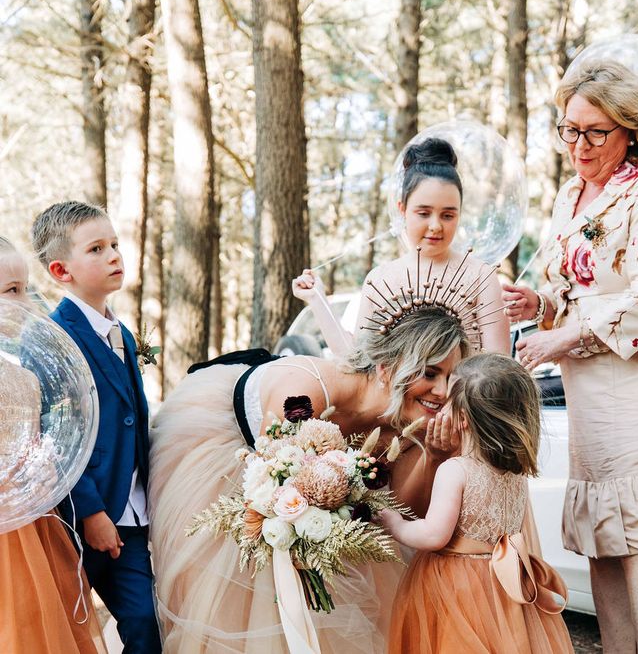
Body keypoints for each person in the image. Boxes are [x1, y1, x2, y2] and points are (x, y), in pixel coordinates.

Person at [503, 60, 638, 654]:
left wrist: (562, 337)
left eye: (596, 132)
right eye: (570, 129)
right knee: (602, 530)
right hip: (590, 378)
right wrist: (537, 302)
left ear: (631, 130)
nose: (579, 145)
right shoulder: (571, 194)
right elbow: (569, 287)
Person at [149, 304, 470, 653]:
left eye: (450, 378)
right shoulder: (306, 390)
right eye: (430, 373)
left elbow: (403, 509)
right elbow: (272, 479)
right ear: (387, 367)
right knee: (233, 598)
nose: (441, 392)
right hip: (229, 456)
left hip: (318, 507)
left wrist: (435, 457)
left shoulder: (410, 426)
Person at [31, 202, 162, 653]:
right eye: (97, 248)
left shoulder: (122, 334)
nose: (114, 256)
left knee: (147, 624)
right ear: (61, 270)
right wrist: (90, 512)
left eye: (114, 245)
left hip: (134, 516)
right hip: (81, 516)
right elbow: (56, 436)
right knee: (70, 630)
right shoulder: (54, 338)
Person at [380, 353, 573, 654]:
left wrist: (397, 524)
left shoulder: (455, 470)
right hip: (503, 585)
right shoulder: (515, 474)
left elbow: (434, 535)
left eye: (448, 403)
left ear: (463, 417)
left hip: (456, 588)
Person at [293, 137, 510, 355]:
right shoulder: (379, 279)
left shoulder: (481, 278)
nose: (436, 226)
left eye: (447, 215)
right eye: (423, 213)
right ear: (402, 209)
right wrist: (317, 299)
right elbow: (357, 362)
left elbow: (498, 368)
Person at [0, 236, 106, 654]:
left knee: (38, 621)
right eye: (11, 291)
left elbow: (32, 437)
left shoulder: (22, 377)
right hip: (6, 526)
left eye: (26, 288)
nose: (25, 301)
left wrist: (40, 464)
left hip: (33, 521)